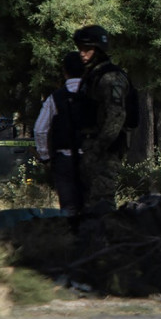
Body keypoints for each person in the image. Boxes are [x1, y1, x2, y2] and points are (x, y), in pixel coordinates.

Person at [74, 24, 131, 214]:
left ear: (98, 50)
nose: (82, 54)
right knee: (88, 203)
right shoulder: (92, 76)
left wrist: (98, 148)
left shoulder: (111, 77)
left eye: (87, 49)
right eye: (80, 49)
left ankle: (106, 241)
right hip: (90, 146)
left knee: (102, 203)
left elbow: (116, 116)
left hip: (105, 151)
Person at [33, 51, 86, 216]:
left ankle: (71, 238)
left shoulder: (55, 98)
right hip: (90, 159)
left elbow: (40, 129)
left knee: (68, 208)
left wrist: (45, 156)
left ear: (65, 72)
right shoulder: (95, 95)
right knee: (92, 207)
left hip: (64, 160)